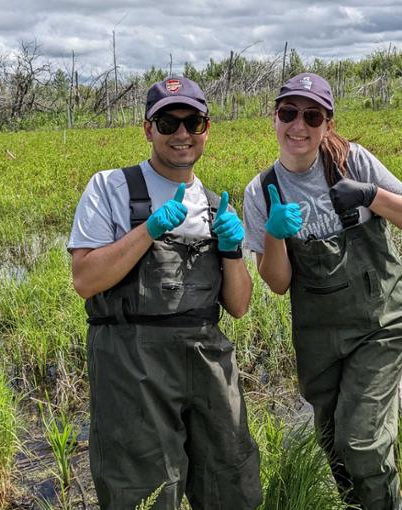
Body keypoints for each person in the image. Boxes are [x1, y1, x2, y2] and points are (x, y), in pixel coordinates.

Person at [68, 76, 262, 510]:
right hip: (131, 364)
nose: (181, 134)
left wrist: (232, 252)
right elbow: (85, 278)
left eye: (192, 122)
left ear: (206, 128)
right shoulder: (110, 189)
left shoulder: (215, 204)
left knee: (231, 479)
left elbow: (239, 305)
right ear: (147, 128)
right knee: (144, 489)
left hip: (207, 361)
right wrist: (149, 229)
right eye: (168, 122)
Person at [243, 73, 402, 510]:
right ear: (274, 118)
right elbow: (277, 283)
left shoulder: (354, 162)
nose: (299, 126)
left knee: (361, 439)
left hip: (379, 322)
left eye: (312, 115)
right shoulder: (261, 192)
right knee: (334, 444)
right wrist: (274, 235)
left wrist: (370, 195)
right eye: (288, 113)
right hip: (319, 337)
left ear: (327, 124)